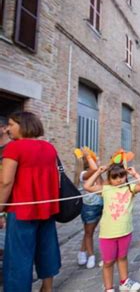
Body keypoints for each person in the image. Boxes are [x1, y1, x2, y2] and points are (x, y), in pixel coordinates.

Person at [0, 111, 61, 292]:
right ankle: (47, 288)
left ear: (23, 125)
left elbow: (6, 182)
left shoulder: (14, 147)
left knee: (18, 256)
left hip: (21, 211)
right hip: (46, 208)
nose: (8, 129)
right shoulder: (49, 147)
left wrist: (0, 209)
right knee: (47, 247)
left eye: (11, 125)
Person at [84, 162, 140, 292]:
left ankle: (124, 282)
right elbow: (87, 186)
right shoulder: (105, 189)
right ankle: (108, 288)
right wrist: (98, 172)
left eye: (121, 176)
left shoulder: (130, 188)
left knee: (122, 257)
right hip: (108, 234)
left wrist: (134, 173)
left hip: (125, 231)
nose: (119, 179)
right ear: (109, 178)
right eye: (114, 177)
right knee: (108, 262)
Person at [75, 147, 103, 269]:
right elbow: (94, 168)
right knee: (89, 232)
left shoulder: (97, 173)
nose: (98, 159)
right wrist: (88, 155)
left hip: (100, 205)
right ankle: (90, 255)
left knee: (89, 231)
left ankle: (82, 250)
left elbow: (102, 186)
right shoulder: (83, 175)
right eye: (95, 157)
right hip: (90, 207)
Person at [0, 116, 11, 229]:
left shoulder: (13, 148)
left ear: (4, 129)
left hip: (8, 208)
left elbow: (7, 182)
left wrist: (1, 212)